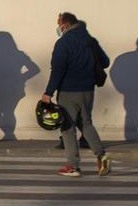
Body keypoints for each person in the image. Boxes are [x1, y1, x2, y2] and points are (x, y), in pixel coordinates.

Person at [42, 12, 112, 177]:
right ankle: (102, 155)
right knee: (86, 123)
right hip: (88, 90)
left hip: (68, 91)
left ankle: (73, 166)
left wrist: (48, 92)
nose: (59, 28)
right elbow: (106, 61)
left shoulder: (63, 43)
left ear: (65, 25)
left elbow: (58, 69)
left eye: (59, 24)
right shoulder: (90, 41)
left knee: (67, 128)